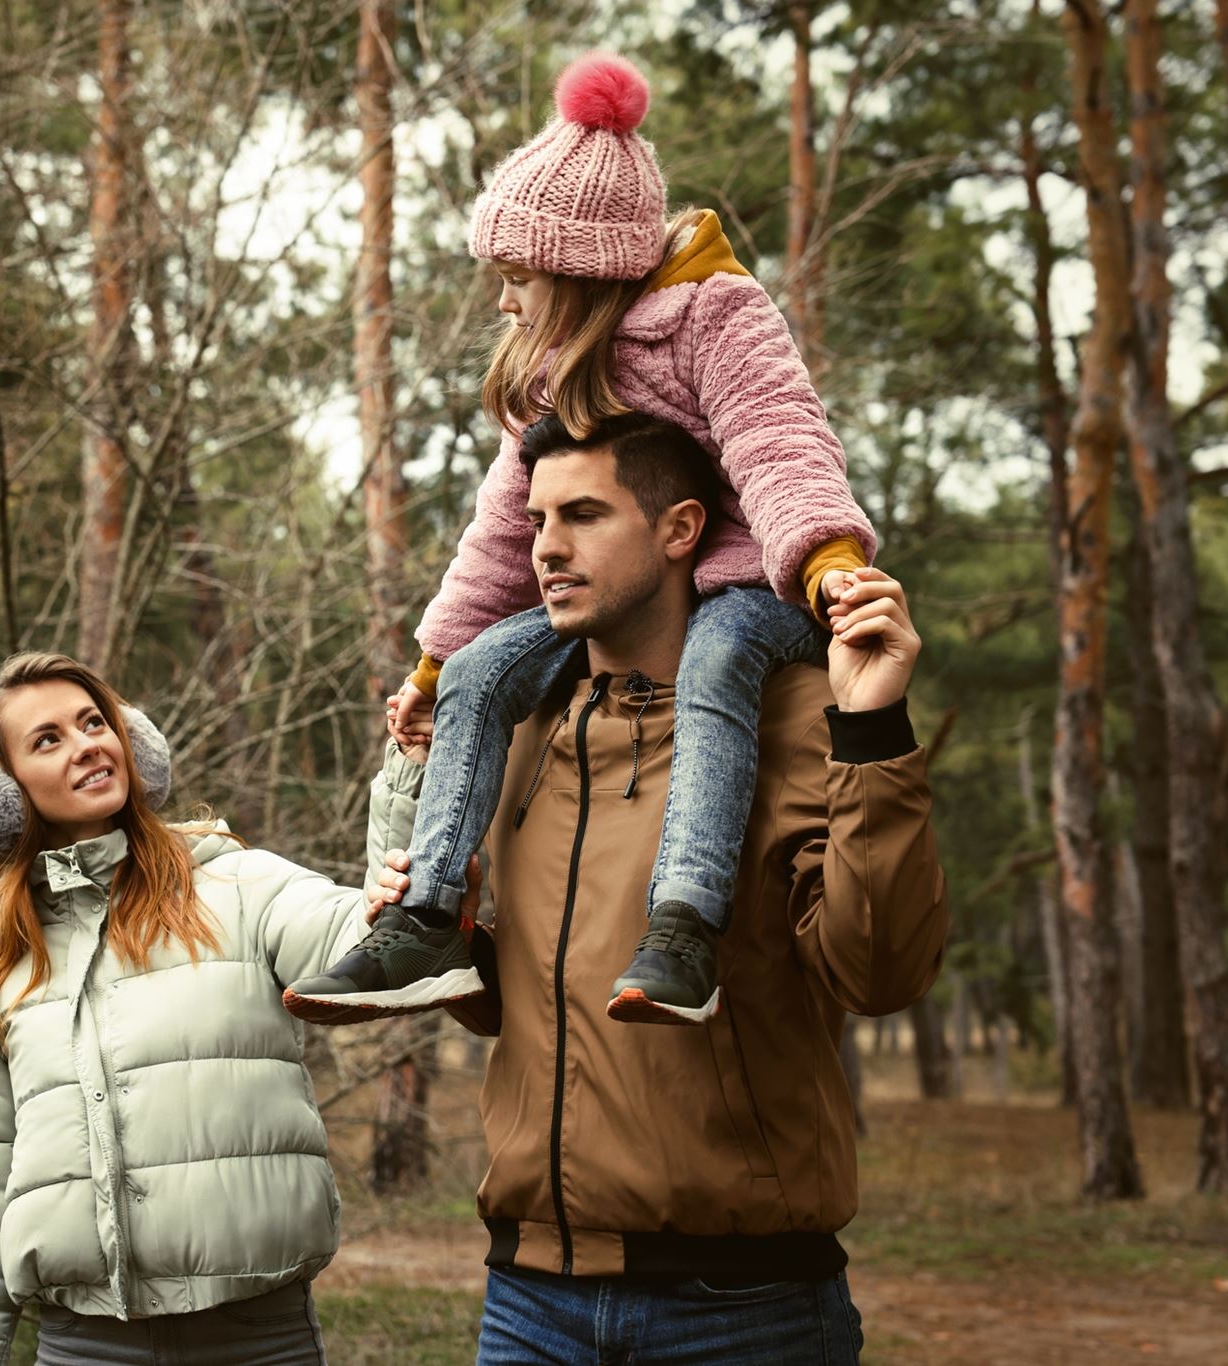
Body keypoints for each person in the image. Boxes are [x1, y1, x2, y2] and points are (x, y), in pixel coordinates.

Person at [285, 52, 878, 1027]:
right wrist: (434, 663)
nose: (503, 301)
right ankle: (429, 915)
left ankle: (683, 924)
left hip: (752, 581)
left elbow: (778, 441)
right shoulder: (551, 372)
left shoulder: (714, 316)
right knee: (483, 670)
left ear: (578, 272)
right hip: (625, 593)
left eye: (516, 278)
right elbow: (501, 528)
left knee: (715, 657)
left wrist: (826, 563)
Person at [369, 413, 946, 1363]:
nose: (547, 548)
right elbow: (526, 1007)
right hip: (527, 1299)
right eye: (538, 520)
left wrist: (874, 730)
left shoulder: (801, 714)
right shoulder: (519, 732)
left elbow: (879, 973)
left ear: (681, 529)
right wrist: (460, 936)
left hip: (742, 1309)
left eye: (584, 515)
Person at [0, 652, 422, 1365]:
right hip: (84, 1350)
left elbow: (374, 944)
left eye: (94, 723)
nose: (87, 744)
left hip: (260, 1344)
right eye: (48, 739)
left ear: (131, 742)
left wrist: (409, 778)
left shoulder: (239, 887)